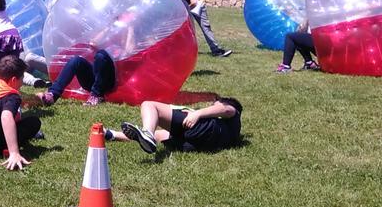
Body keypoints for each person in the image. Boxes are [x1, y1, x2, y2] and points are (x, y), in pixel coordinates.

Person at [112, 97, 243, 154]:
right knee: (157, 135)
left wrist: (197, 113)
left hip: (201, 129)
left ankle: (147, 133)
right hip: (193, 145)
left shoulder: (232, 111)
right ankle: (112, 134)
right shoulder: (232, 134)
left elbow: (227, 109)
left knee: (149, 105)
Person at [37, 48, 116, 107]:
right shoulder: (105, 29)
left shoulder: (124, 30)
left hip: (111, 77)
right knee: (76, 60)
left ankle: (96, 96)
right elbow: (93, 41)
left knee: (101, 55)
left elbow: (127, 50)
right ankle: (53, 94)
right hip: (95, 77)